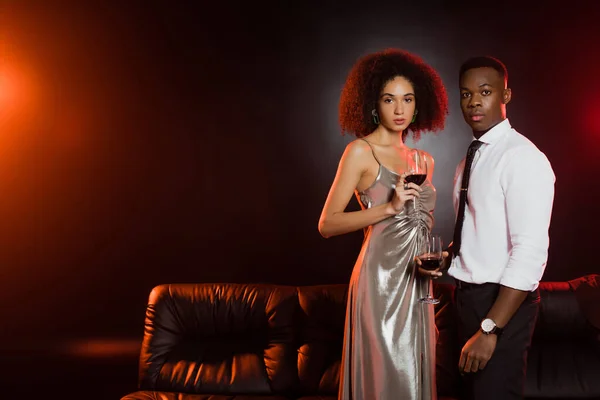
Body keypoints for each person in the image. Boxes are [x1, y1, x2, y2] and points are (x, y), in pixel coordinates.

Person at [318, 48, 448, 400]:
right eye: (389, 100)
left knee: (415, 374)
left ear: (419, 104)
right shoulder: (360, 152)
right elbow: (327, 224)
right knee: (385, 376)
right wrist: (389, 208)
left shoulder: (424, 160)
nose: (400, 109)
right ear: (374, 104)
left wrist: (435, 265)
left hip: (417, 283)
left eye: (407, 99)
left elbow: (420, 228)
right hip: (379, 283)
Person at [446, 56, 555, 399]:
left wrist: (490, 328)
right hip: (466, 299)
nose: (474, 101)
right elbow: (479, 234)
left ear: (505, 96)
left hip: (501, 304)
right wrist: (445, 259)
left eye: (485, 91)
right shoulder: (470, 159)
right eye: (466, 94)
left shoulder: (522, 157)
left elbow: (530, 253)